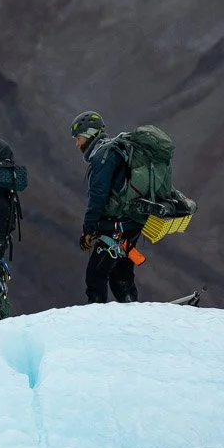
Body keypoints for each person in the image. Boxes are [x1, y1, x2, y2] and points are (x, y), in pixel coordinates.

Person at [71, 110, 141, 303]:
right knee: (121, 276)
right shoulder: (114, 151)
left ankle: (97, 326)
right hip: (131, 223)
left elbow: (98, 197)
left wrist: (88, 229)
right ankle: (134, 317)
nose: (77, 144)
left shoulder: (102, 157)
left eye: (79, 138)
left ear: (90, 134)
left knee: (95, 276)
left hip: (116, 226)